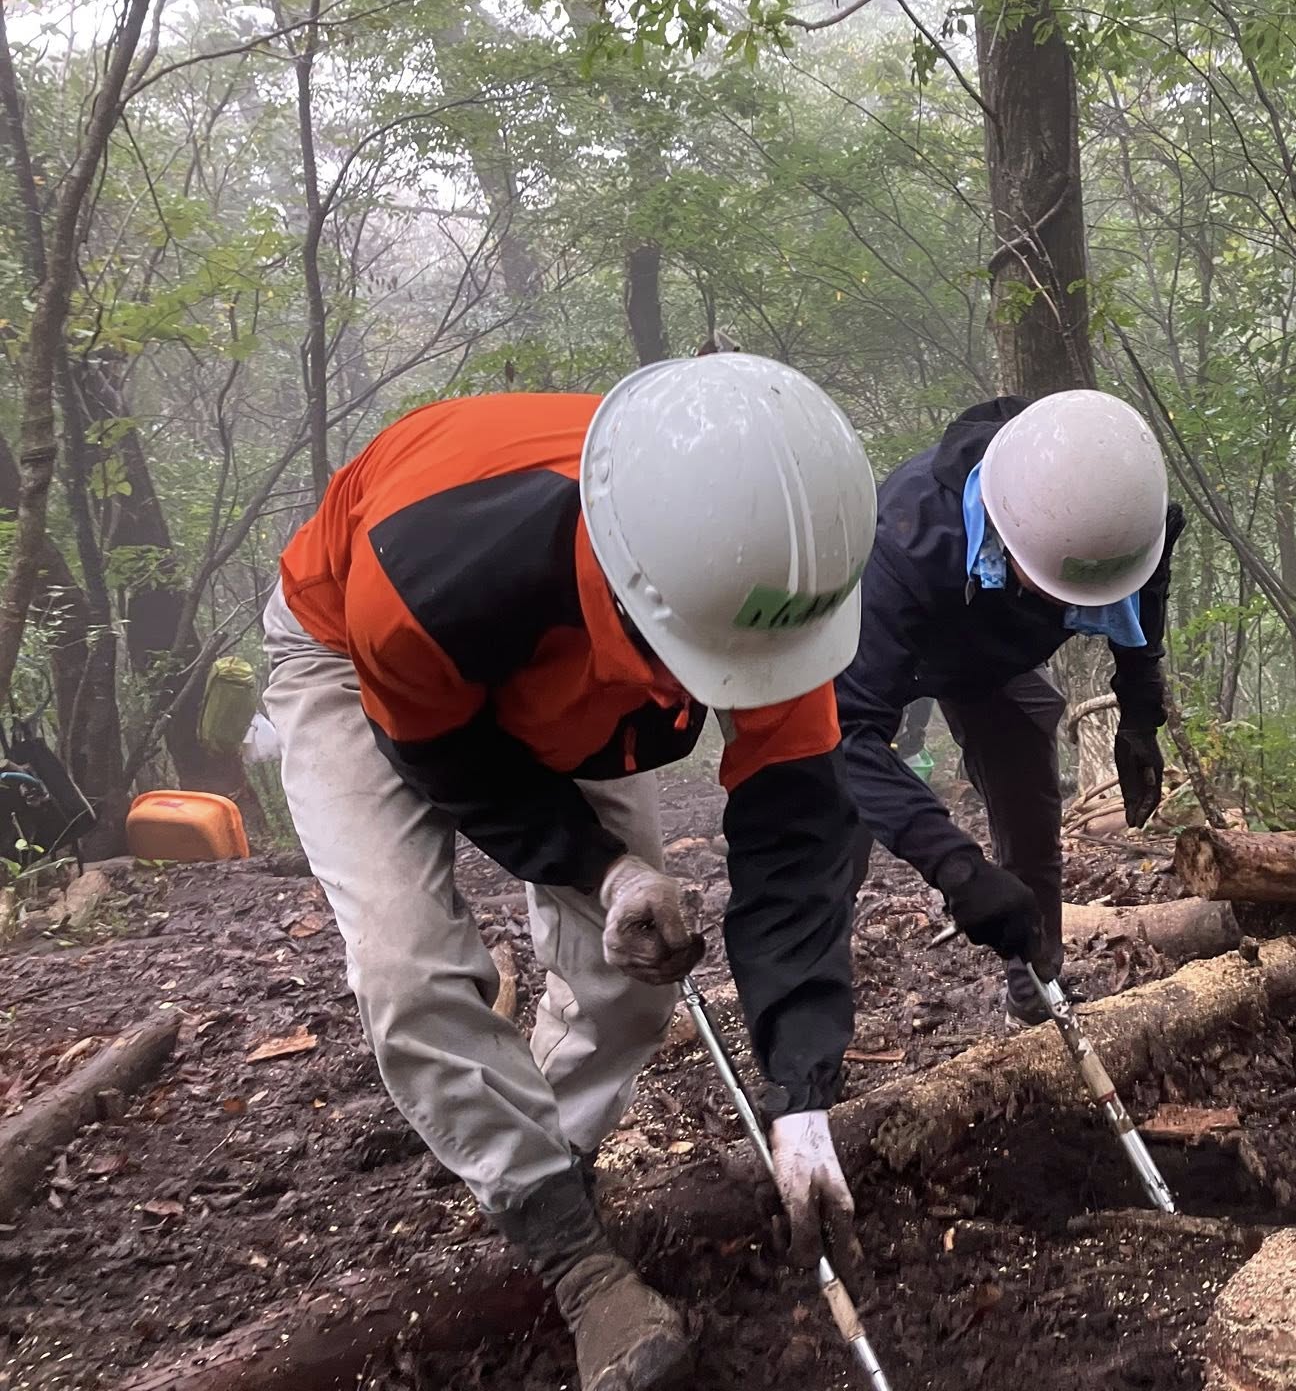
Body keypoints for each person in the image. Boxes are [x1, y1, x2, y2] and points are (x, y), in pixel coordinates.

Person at [262, 353, 875, 1391]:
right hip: (354, 657)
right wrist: (601, 869)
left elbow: (798, 831)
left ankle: (549, 1161)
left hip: (576, 675)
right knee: (409, 968)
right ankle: (576, 1263)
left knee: (629, 977)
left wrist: (802, 1087)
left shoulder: (767, 574)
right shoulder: (433, 567)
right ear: (639, 594)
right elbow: (452, 762)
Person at [836, 390, 1183, 1022]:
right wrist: (956, 868)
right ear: (1006, 533)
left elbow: (1146, 594)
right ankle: (816, 1007)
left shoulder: (1124, 514)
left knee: (1029, 791)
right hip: (904, 646)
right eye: (1058, 586)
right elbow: (848, 729)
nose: (1070, 607)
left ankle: (1037, 984)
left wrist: (1140, 713)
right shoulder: (902, 542)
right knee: (834, 816)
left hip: (996, 665)